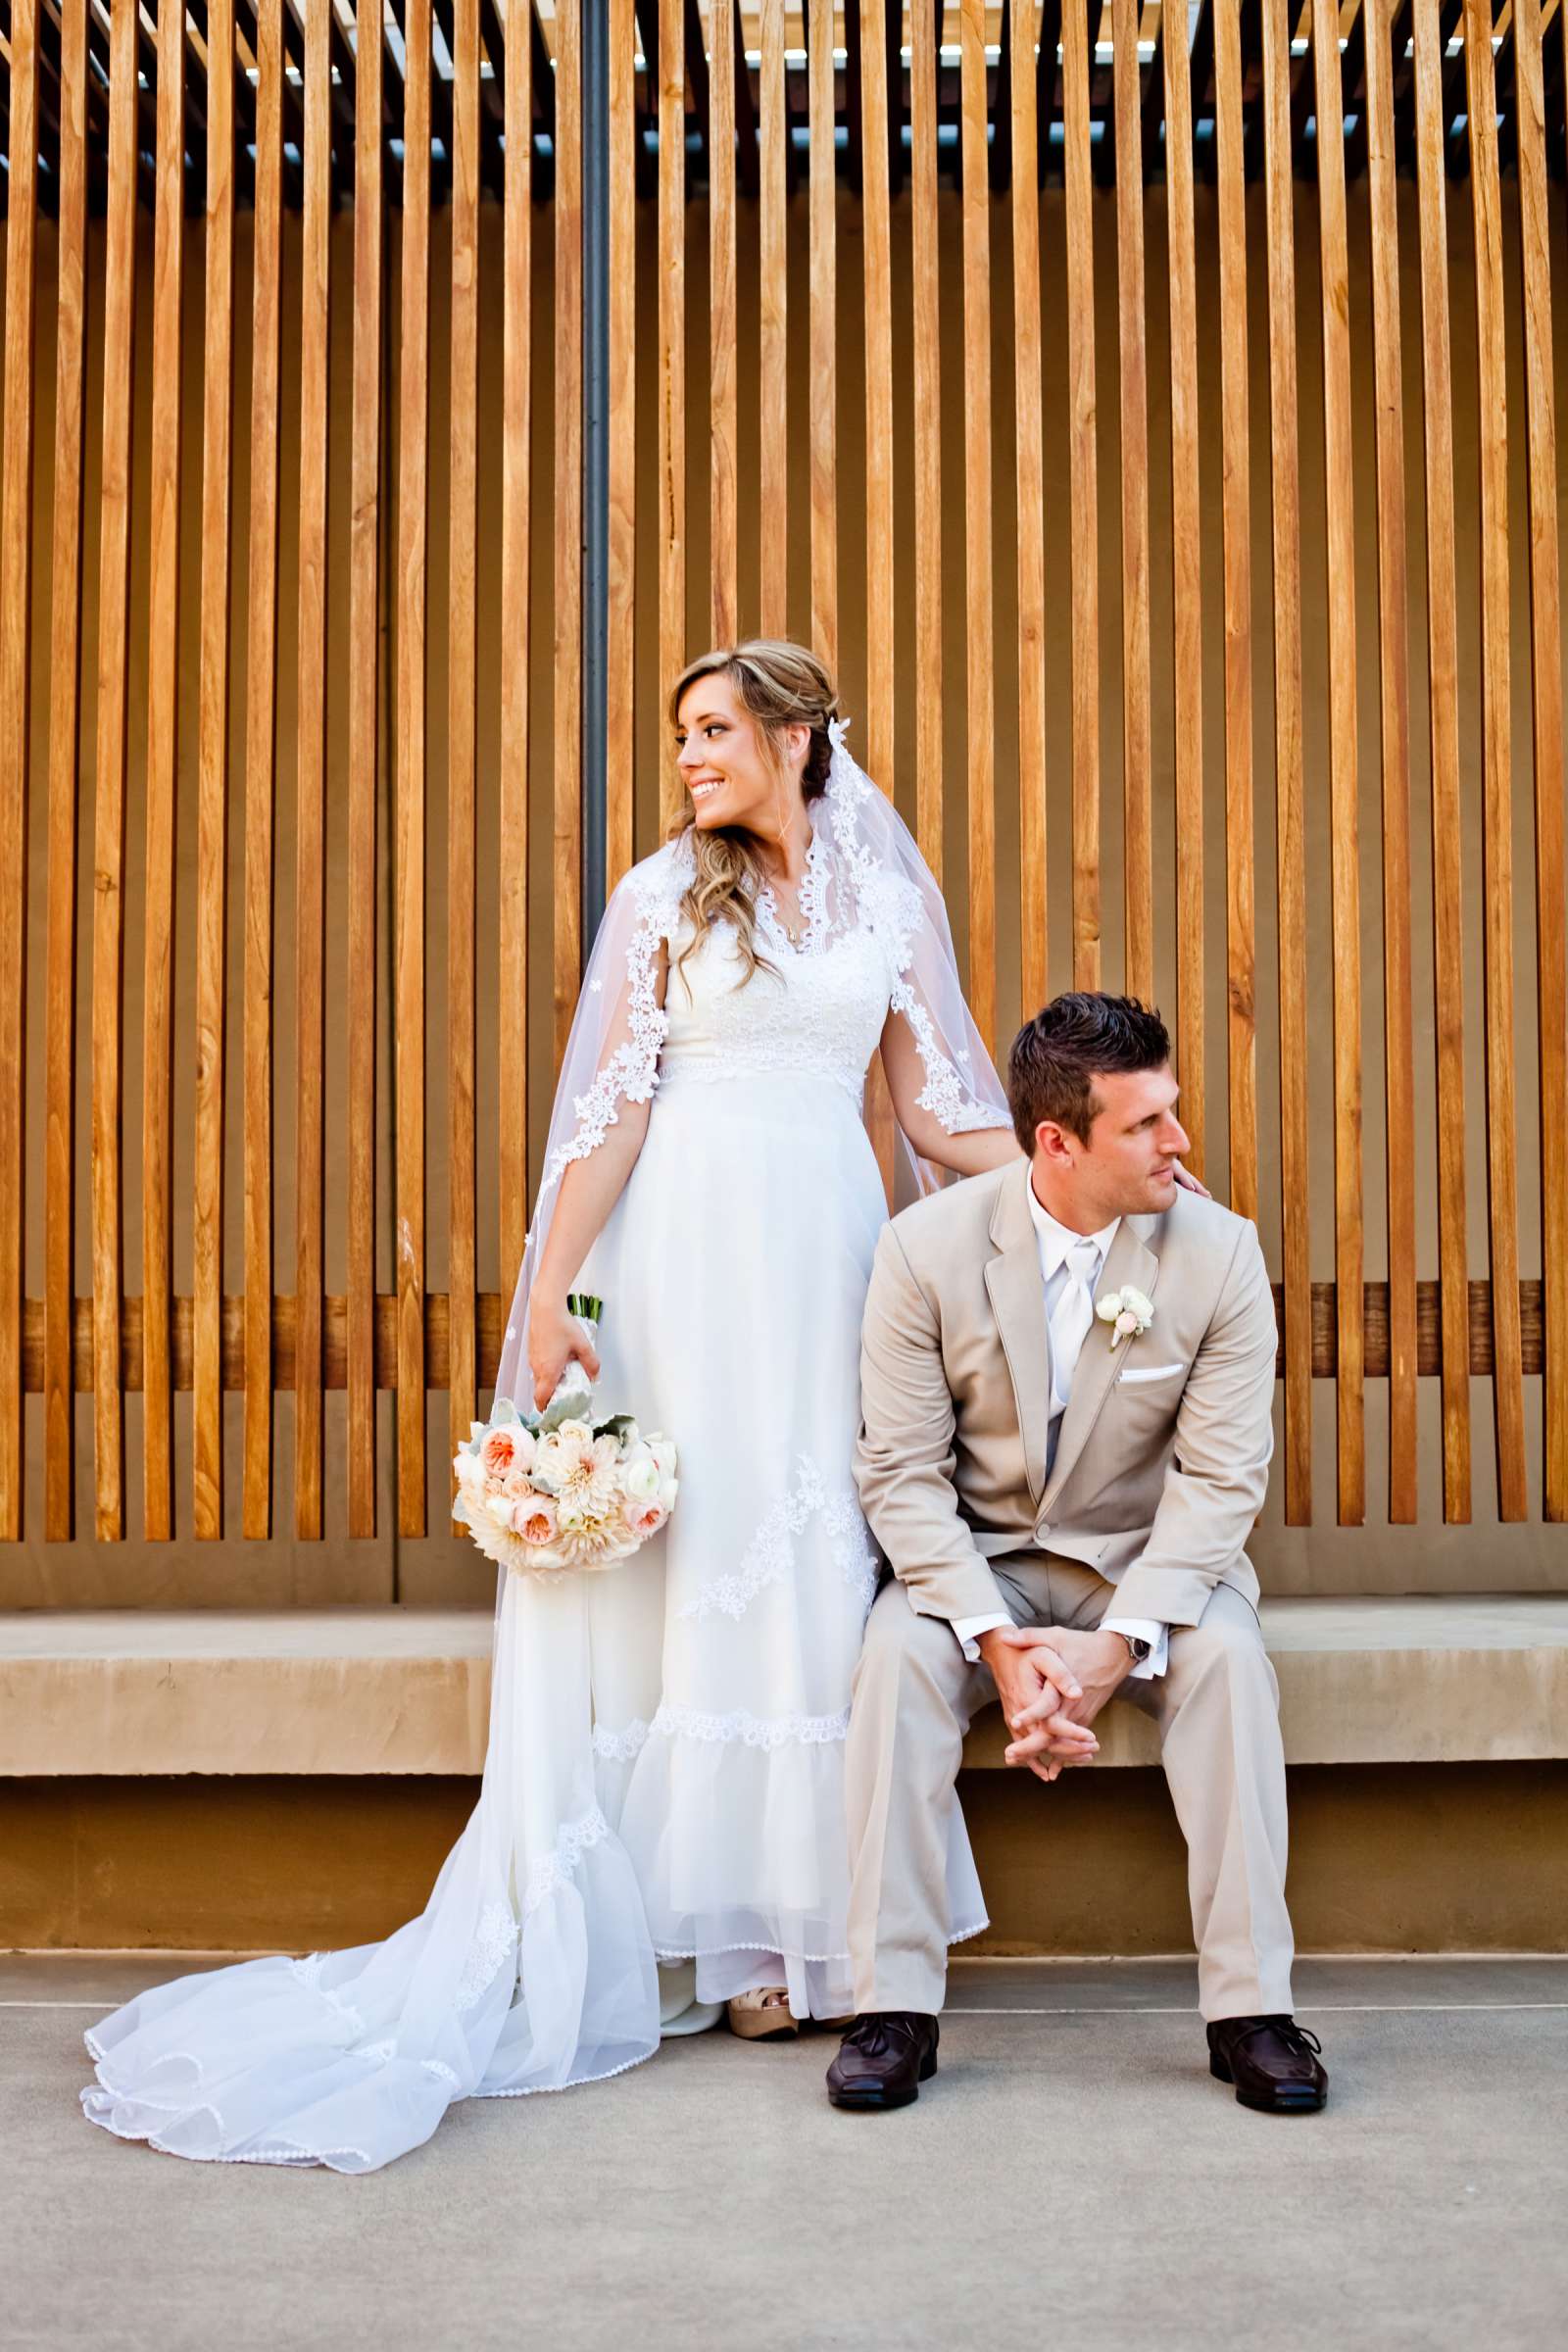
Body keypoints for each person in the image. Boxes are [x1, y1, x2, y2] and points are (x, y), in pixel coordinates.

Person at [78, 639, 1024, 2171]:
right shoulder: (660, 898)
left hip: (829, 1258)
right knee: (692, 1564)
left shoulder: (886, 905)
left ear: (799, 737)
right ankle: (689, 1938)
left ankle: (794, 1937)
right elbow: (610, 1112)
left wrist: (1075, 1181)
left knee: (806, 1567)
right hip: (683, 1264)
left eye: (717, 730)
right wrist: (548, 1300)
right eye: (681, 735)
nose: (693, 757)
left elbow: (931, 1106)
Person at [827, 992, 1329, 2119]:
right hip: (984, 1561)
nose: (1179, 1143)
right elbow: (900, 1476)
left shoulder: (1220, 1253)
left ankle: (1250, 2010)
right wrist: (997, 1646)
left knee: (1231, 1670)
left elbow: (1218, 1487)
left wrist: (1113, 1652)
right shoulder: (923, 1252)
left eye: (1174, 1112)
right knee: (896, 1665)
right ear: (1057, 1142)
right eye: (1146, 1124)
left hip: (1149, 1566)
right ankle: (891, 2006)